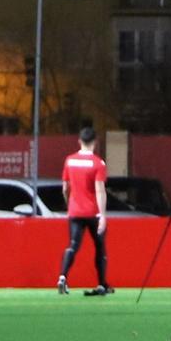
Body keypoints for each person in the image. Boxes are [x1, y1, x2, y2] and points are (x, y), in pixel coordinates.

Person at [57, 126, 112, 296]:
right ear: (95, 142)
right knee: (100, 247)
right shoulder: (98, 163)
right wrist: (103, 215)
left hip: (75, 211)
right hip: (93, 211)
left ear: (79, 141)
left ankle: (62, 276)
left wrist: (69, 203)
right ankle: (101, 284)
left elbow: (65, 188)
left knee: (73, 245)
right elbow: (100, 190)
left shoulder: (69, 161)